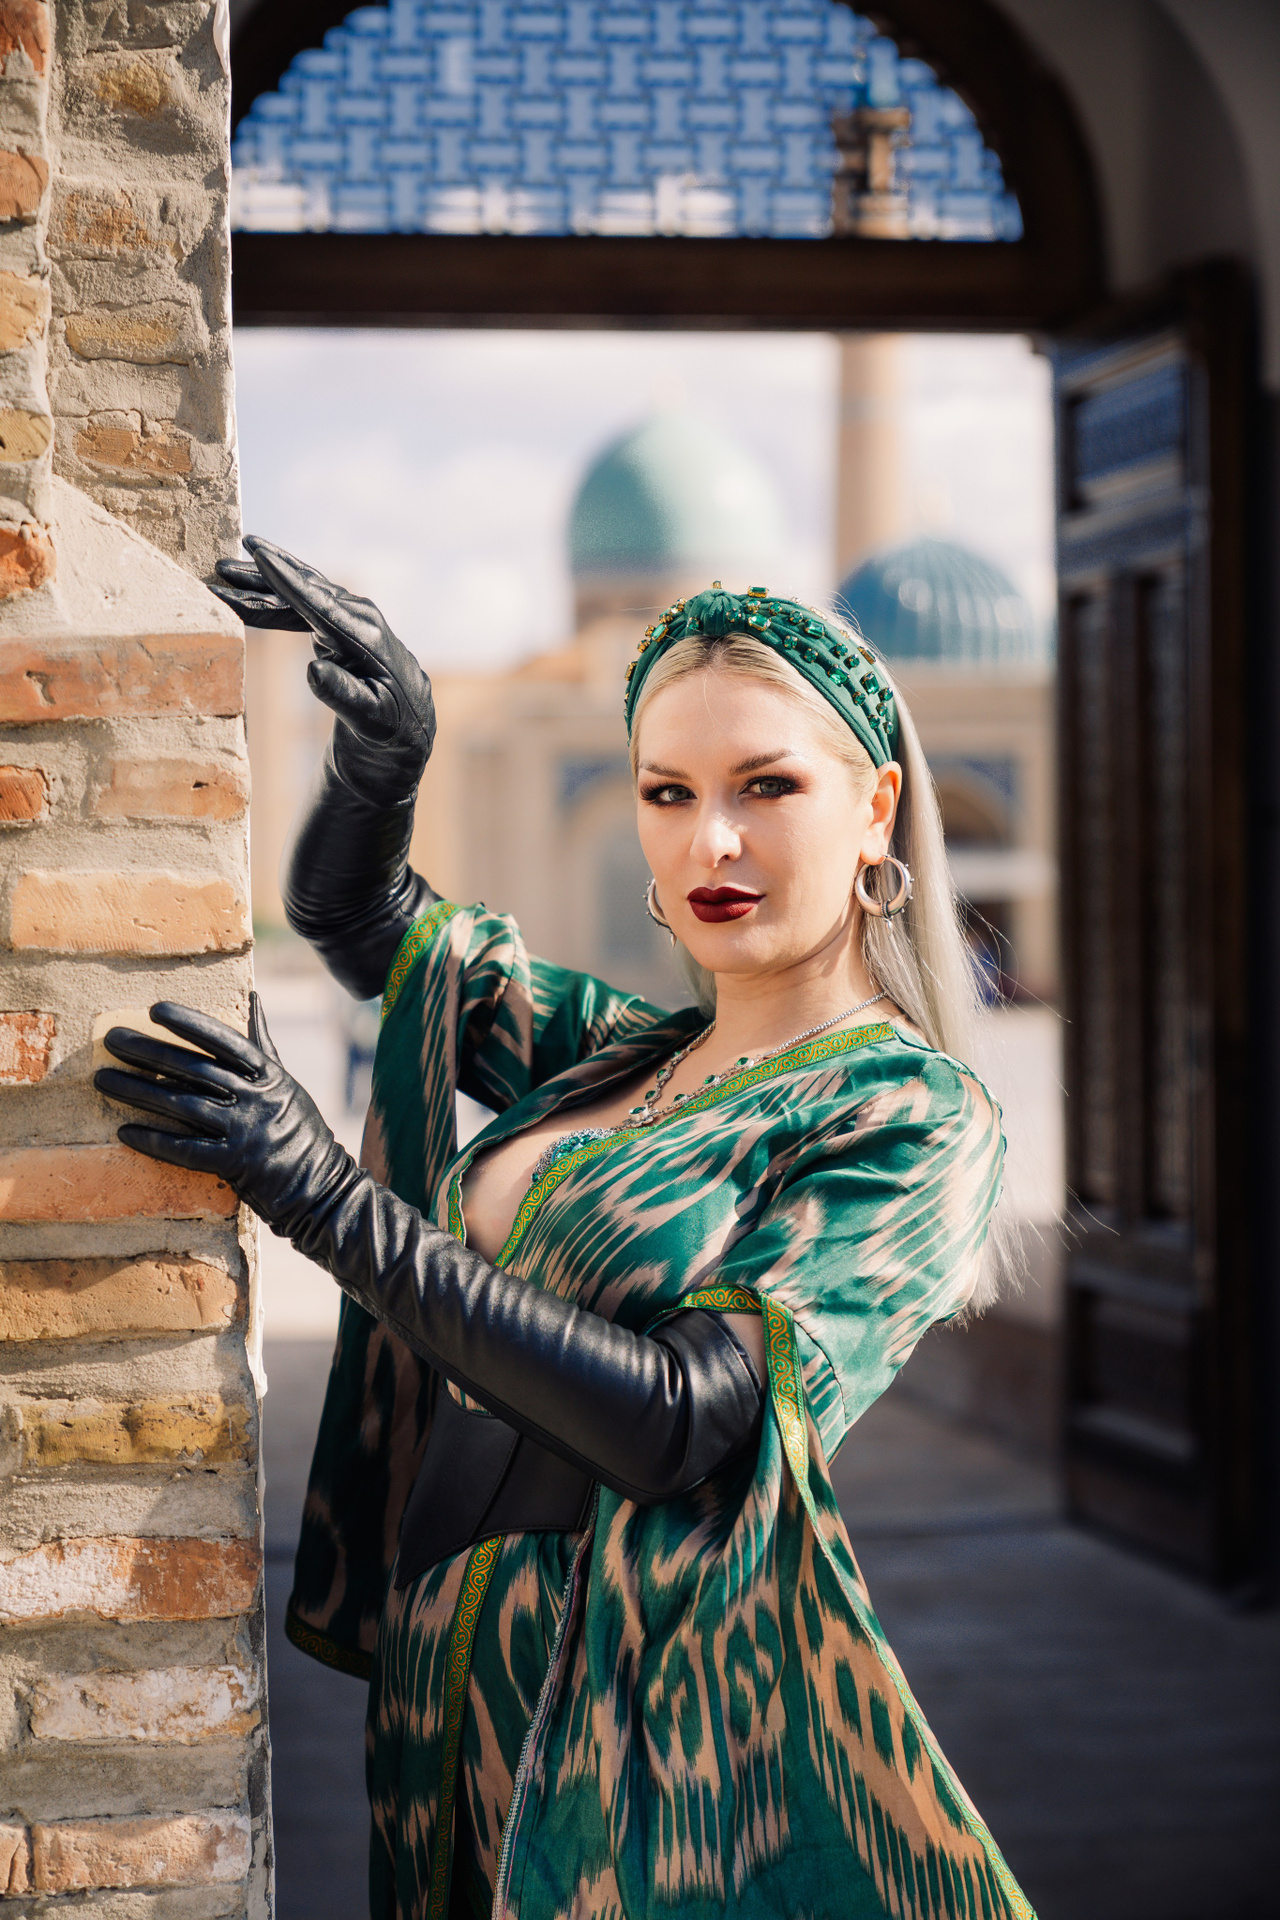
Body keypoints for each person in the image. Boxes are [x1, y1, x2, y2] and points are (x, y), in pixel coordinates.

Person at [97, 541, 1034, 1920]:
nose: (710, 841)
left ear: (878, 805)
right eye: (668, 792)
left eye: (766, 786)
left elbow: (681, 1422)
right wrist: (383, 763)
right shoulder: (627, 1062)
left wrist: (320, 1197)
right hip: (443, 1672)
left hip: (616, 1727)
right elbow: (367, 927)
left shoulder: (909, 1117)